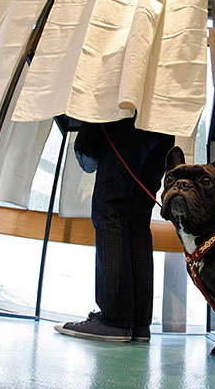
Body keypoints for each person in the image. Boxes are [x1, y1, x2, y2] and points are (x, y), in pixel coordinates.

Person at [54, 118, 174, 342]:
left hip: (127, 117)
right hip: (164, 122)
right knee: (137, 220)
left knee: (110, 210)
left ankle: (115, 319)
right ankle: (138, 323)